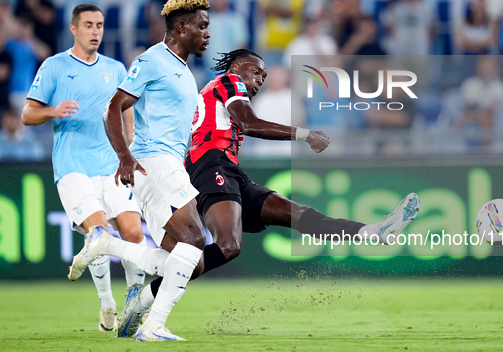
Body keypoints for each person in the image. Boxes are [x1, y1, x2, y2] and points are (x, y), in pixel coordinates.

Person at [116, 49, 421, 338]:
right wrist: (304, 134)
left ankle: (375, 232)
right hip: (210, 165)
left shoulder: (214, 94)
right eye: (256, 71)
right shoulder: (227, 81)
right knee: (227, 245)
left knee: (295, 214)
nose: (260, 79)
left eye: (263, 76)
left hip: (229, 169)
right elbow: (249, 123)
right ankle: (143, 298)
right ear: (236, 67)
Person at [71, 0, 211, 342]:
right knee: (195, 237)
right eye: (202, 26)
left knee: (191, 262)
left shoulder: (181, 69)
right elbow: (112, 107)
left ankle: (107, 246)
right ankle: (153, 326)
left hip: (167, 164)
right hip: (154, 161)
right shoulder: (152, 61)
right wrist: (124, 156)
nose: (207, 34)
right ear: (181, 27)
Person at [20, 4, 146, 332]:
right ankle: (107, 303)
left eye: (100, 25)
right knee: (99, 233)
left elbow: (126, 113)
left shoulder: (116, 68)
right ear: (74, 29)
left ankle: (135, 302)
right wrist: (52, 110)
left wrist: (129, 151)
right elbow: (27, 115)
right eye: (88, 25)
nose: (95, 31)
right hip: (73, 166)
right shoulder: (54, 66)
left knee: (133, 233)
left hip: (111, 166)